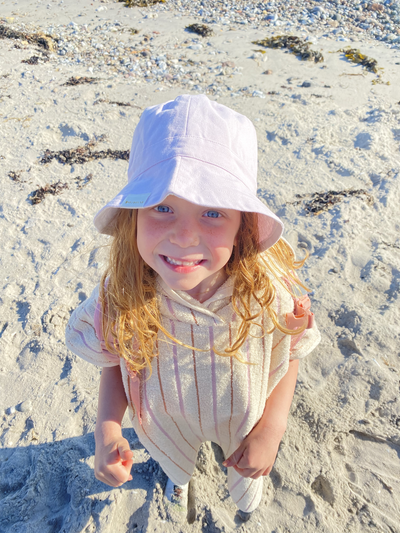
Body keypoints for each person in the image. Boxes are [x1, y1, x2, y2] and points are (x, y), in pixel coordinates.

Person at [65, 94, 320, 523]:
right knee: (174, 456)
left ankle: (243, 485)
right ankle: (178, 472)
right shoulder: (121, 290)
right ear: (133, 216)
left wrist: (271, 431)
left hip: (243, 417)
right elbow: (114, 361)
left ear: (242, 224)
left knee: (245, 475)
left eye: (213, 212)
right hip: (165, 417)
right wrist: (108, 428)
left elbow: (289, 351)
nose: (184, 236)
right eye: (162, 207)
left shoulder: (265, 290)